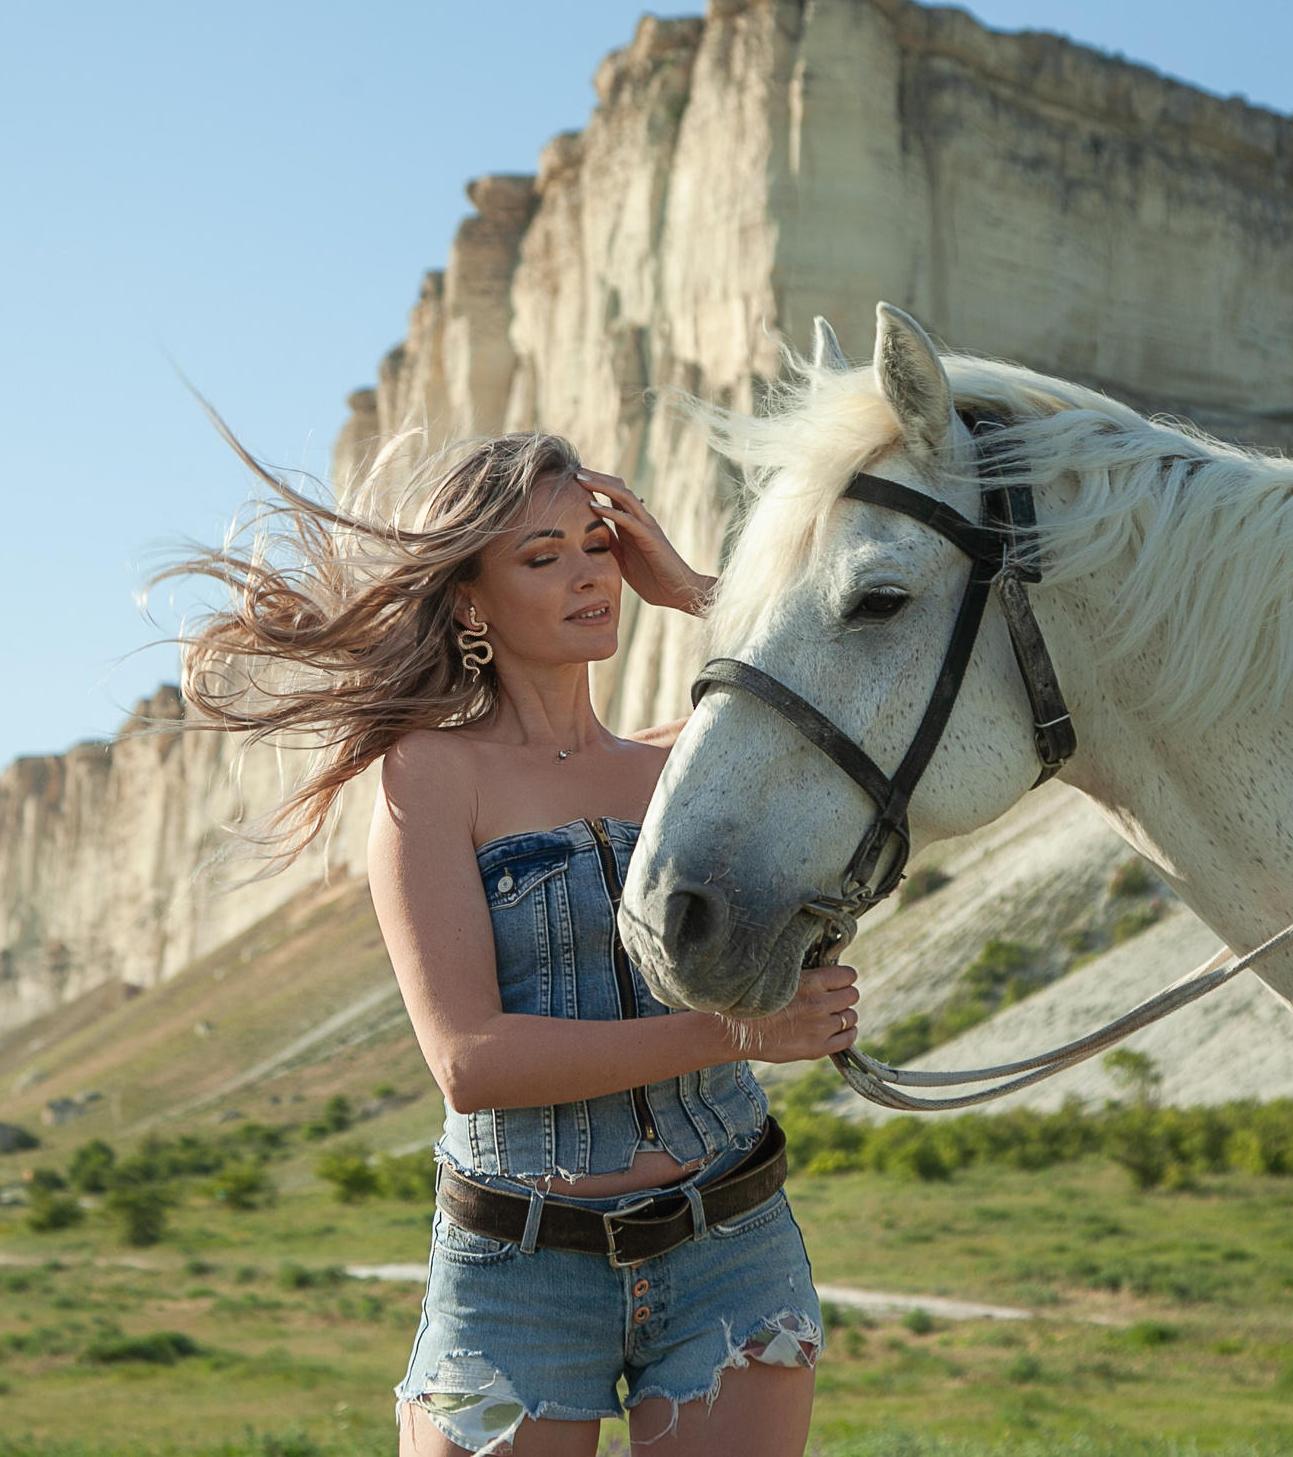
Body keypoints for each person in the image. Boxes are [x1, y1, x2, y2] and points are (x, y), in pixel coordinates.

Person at [173, 429, 860, 1457]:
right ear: (469, 602)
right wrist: (737, 1034)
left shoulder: (688, 758)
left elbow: (859, 678)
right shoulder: (430, 774)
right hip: (520, 1269)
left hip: (732, 1246)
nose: (589, 577)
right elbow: (470, 1062)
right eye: (543, 558)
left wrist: (693, 591)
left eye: (598, 545)